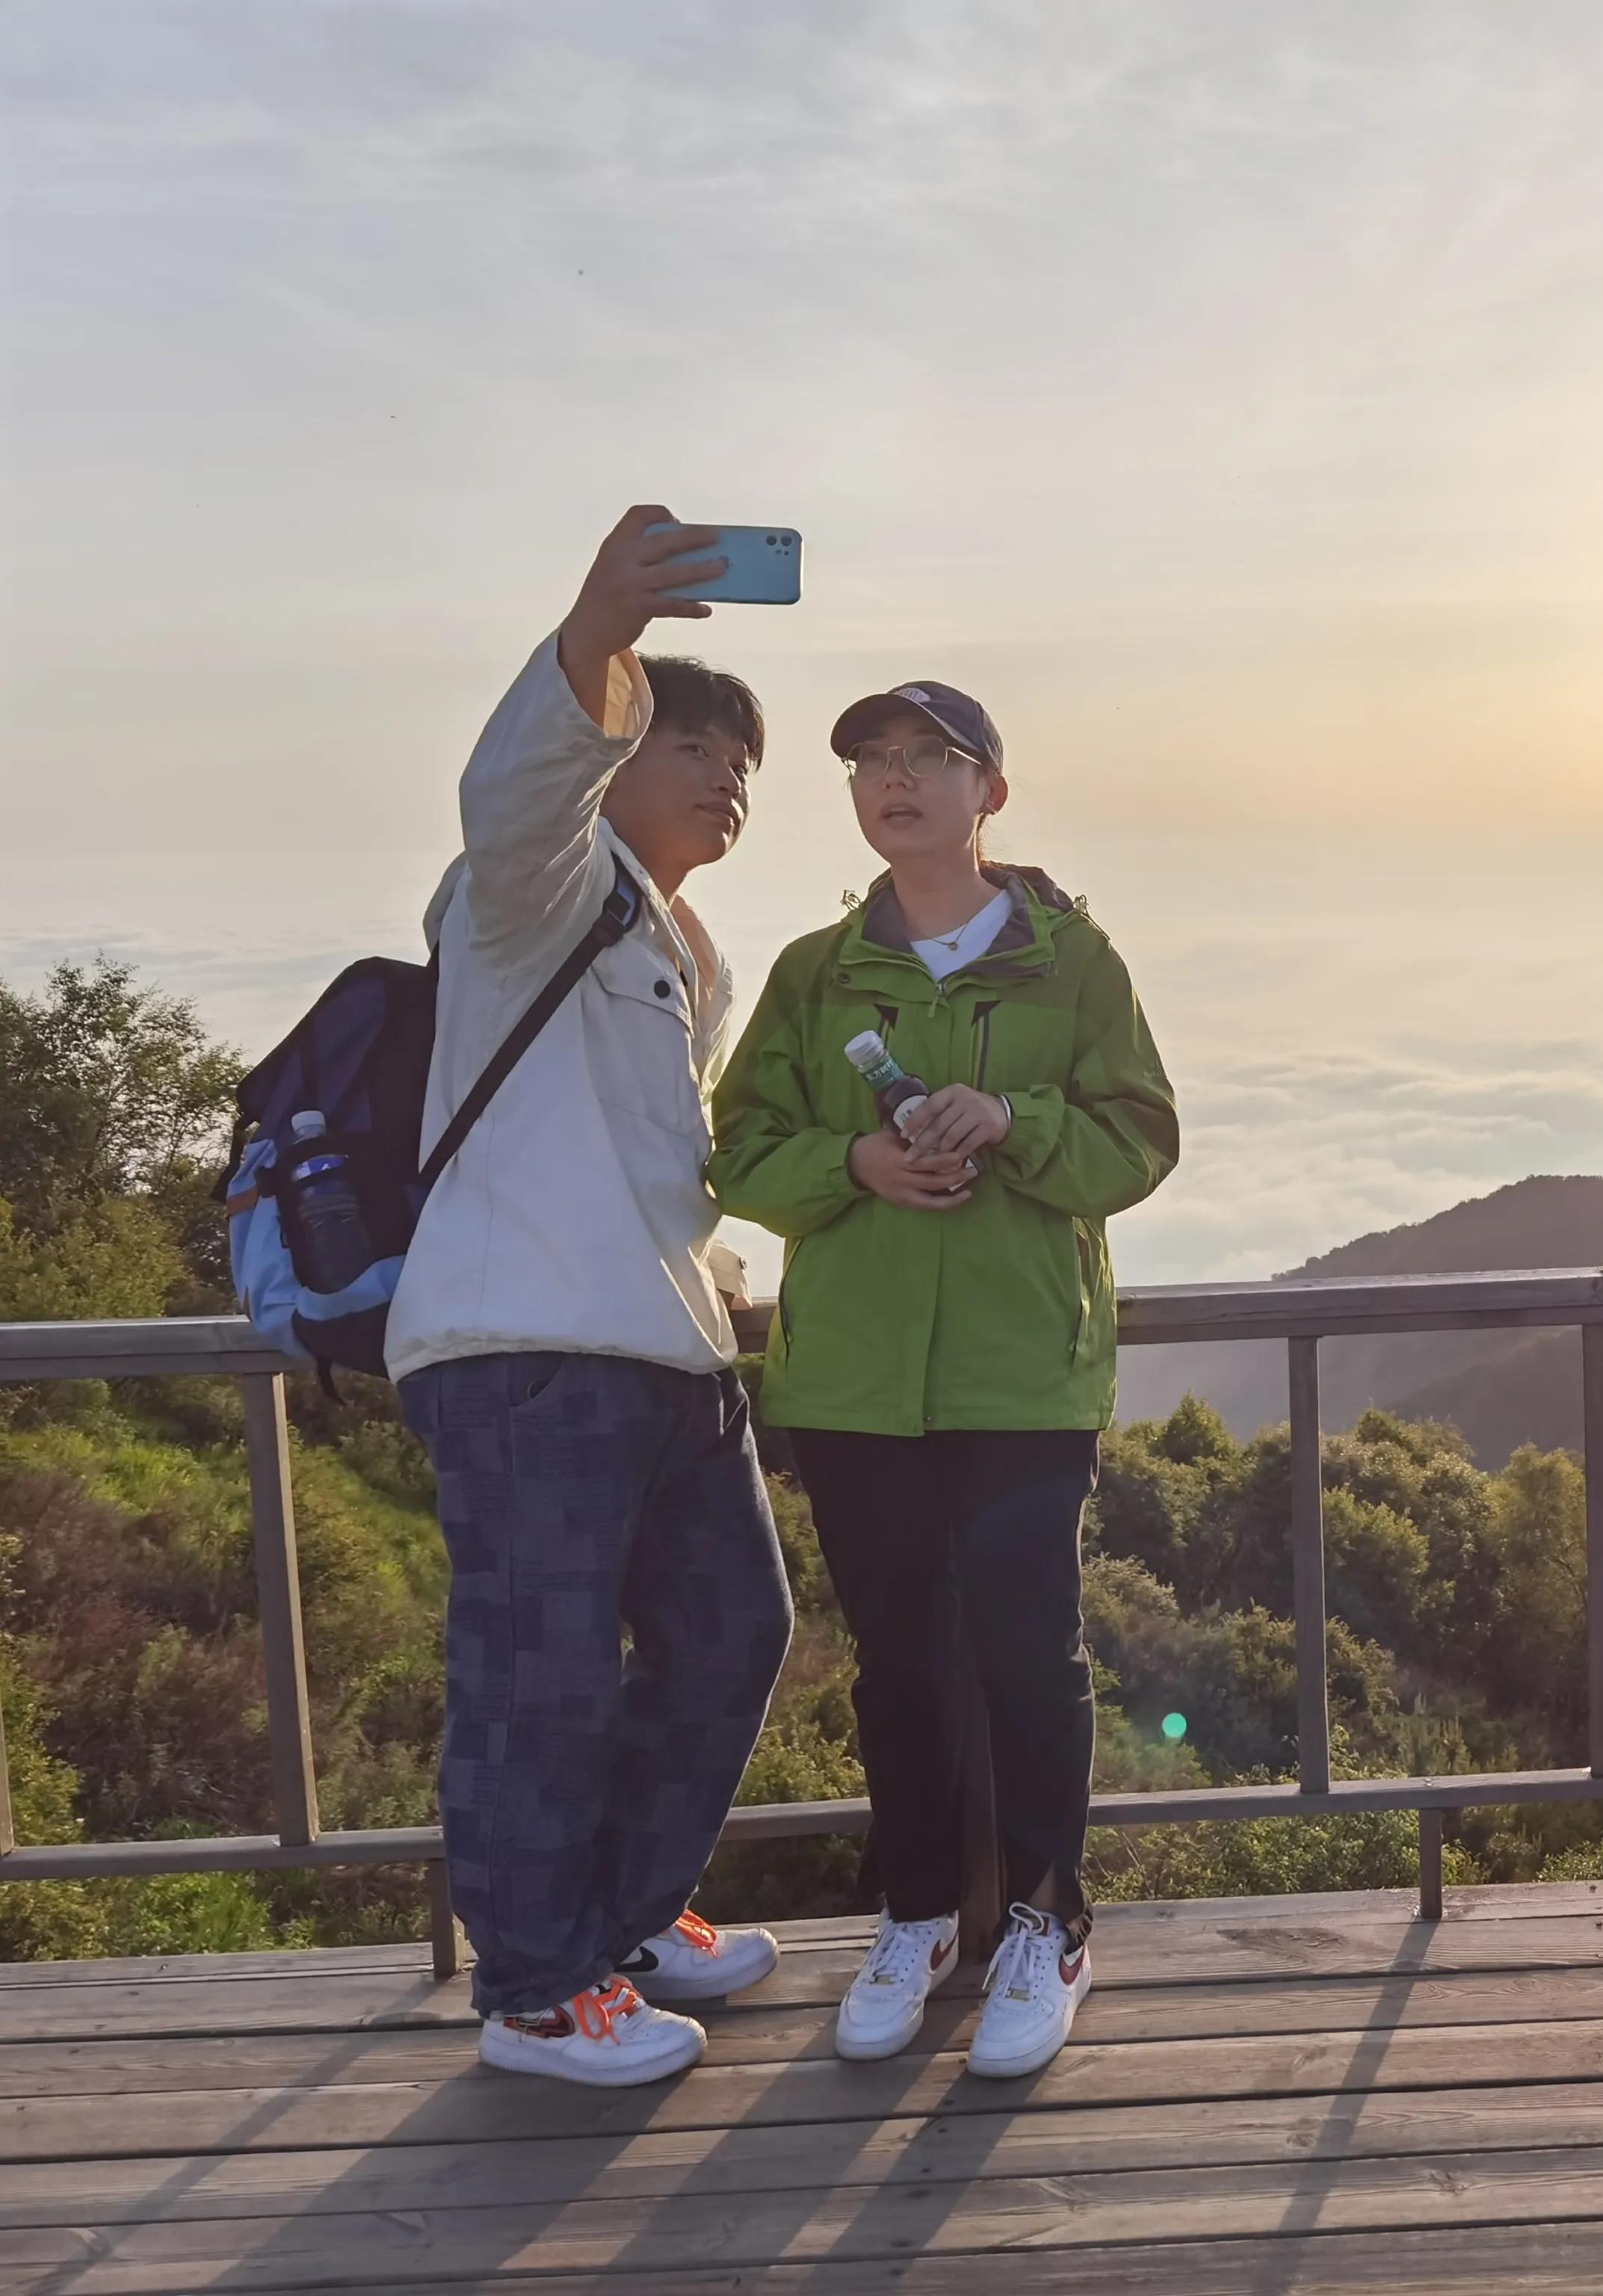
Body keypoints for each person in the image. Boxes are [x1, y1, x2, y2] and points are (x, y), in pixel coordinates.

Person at [709, 677, 1176, 2075]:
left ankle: (1047, 1917)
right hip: (853, 1379)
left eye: (930, 758)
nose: (895, 781)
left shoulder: (1073, 964)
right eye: (873, 763)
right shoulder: (814, 971)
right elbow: (736, 1149)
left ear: (992, 793)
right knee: (901, 1665)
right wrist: (852, 1163)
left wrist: (1017, 1119)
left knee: (1031, 1655)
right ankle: (915, 1914)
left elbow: (1139, 1140)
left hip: (1023, 1369)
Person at [389, 507, 795, 2087]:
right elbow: (514, 794)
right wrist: (593, 637)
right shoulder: (529, 890)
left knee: (730, 1631)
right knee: (537, 1670)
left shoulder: (689, 951)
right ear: (615, 745)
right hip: (528, 1347)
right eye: (691, 744)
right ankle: (537, 1995)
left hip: (668, 1347)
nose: (724, 780)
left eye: (741, 768)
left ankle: (623, 1919)